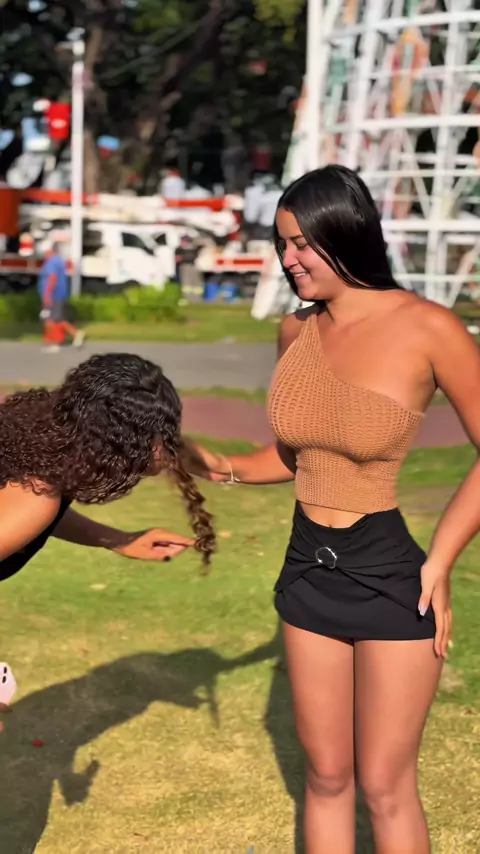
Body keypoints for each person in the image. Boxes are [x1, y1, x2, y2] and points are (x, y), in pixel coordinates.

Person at [183, 165, 480, 854]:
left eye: (301, 244)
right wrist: (212, 464)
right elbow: (294, 457)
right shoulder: (296, 331)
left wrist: (441, 559)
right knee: (325, 778)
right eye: (281, 244)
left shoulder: (429, 328)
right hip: (306, 571)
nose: (288, 260)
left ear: (345, 233)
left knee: (385, 786)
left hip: (389, 575)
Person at [0, 352, 216, 720]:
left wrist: (118, 539)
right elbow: (29, 509)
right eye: (159, 436)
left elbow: (17, 517)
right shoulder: (38, 497)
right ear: (121, 441)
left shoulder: (40, 446)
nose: (166, 447)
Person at [38, 241, 85, 353]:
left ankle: (54, 343)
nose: (44, 255)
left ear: (49, 251)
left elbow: (52, 278)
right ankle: (76, 333)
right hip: (59, 294)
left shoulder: (51, 262)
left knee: (51, 320)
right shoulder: (58, 260)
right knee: (58, 319)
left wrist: (47, 294)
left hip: (54, 295)